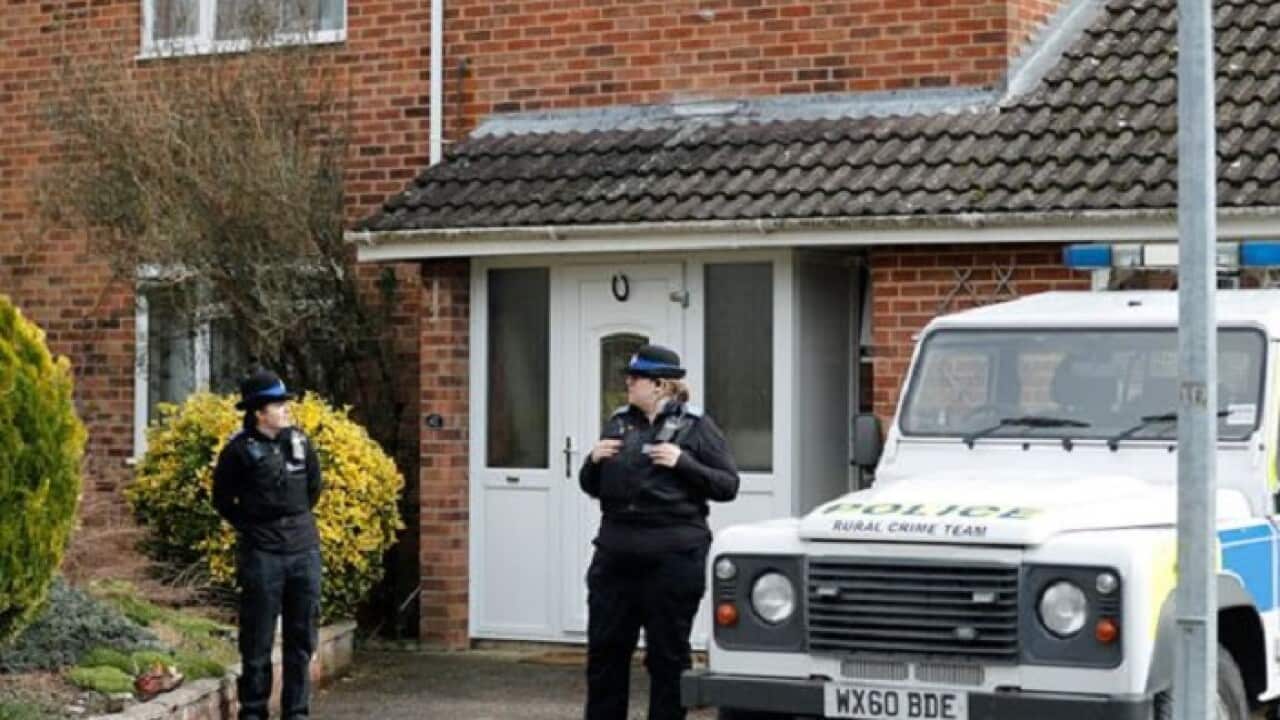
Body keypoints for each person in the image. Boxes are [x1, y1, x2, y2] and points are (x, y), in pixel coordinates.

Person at [579, 344, 740, 720]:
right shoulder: (619, 422)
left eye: (635, 378)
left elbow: (727, 485)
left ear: (661, 385)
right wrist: (591, 462)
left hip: (672, 556)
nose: (628, 384)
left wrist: (682, 462)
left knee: (667, 656)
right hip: (616, 554)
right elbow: (593, 486)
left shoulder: (696, 426)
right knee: (605, 652)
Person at [212, 369, 323, 720]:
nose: (286, 410)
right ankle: (254, 711)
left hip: (303, 550)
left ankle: (297, 712)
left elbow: (313, 490)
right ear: (259, 412)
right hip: (263, 554)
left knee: (301, 638)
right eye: (278, 405)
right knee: (258, 638)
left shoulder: (301, 444)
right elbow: (223, 499)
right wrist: (253, 528)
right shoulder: (239, 451)